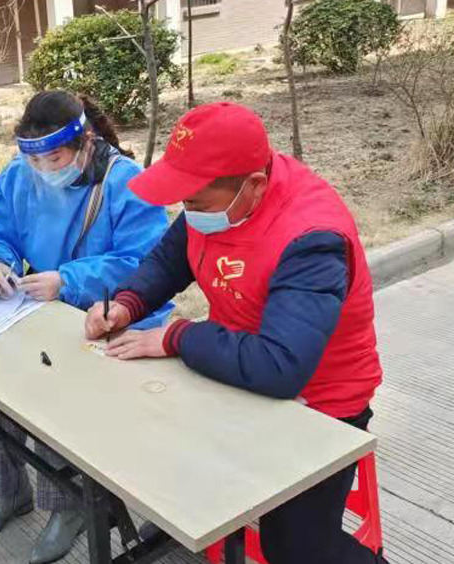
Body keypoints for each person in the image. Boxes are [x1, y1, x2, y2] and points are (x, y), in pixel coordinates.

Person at [85, 102, 388, 564]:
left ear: (255, 185)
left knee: (296, 546)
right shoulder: (219, 200)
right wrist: (128, 304)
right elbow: (170, 259)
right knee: (152, 436)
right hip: (236, 370)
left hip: (320, 402)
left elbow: (281, 368)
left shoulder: (311, 238)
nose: (187, 213)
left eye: (194, 204)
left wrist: (175, 337)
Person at [0, 90, 174, 564]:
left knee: (52, 389)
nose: (43, 170)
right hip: (42, 307)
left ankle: (68, 505)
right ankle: (8, 491)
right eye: (33, 159)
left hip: (114, 317)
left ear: (85, 143)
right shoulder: (20, 173)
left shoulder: (124, 181)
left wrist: (69, 280)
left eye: (54, 158)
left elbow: (146, 265)